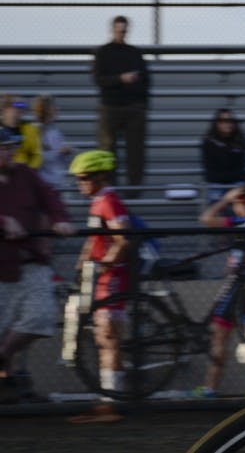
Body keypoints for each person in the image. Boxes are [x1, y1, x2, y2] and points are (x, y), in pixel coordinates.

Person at [0, 127, 75, 404]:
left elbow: (50, 197)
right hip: (2, 266)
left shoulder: (25, 174)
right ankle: (11, 383)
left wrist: (59, 218)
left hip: (31, 261)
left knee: (40, 316)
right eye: (1, 148)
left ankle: (4, 357)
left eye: (8, 147)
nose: (5, 153)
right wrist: (3, 220)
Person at [67, 149, 131, 423]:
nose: (80, 183)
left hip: (111, 279)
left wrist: (105, 263)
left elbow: (123, 238)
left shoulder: (108, 201)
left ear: (100, 177)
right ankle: (108, 398)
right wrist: (83, 260)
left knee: (108, 339)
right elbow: (96, 238)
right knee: (104, 339)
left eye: (84, 178)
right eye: (78, 179)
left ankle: (110, 402)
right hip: (103, 279)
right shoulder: (99, 201)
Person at [194, 183, 245, 397]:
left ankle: (210, 387)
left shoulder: (242, 222)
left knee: (220, 337)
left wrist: (225, 199)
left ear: (241, 202)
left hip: (235, 288)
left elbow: (206, 219)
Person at [92, 15, 151, 198]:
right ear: (112, 30)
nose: (121, 33)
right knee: (108, 150)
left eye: (124, 30)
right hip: (111, 107)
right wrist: (120, 79)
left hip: (133, 108)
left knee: (136, 152)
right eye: (118, 30)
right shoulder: (103, 52)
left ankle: (134, 191)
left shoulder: (134, 53)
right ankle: (111, 190)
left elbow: (146, 79)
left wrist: (142, 105)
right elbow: (99, 79)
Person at [200, 108, 245, 205]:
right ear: (217, 123)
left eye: (230, 121)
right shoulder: (209, 142)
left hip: (236, 183)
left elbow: (240, 169)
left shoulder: (240, 141)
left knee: (243, 194)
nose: (228, 124)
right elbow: (212, 171)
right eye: (224, 121)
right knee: (215, 193)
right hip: (217, 184)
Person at [31, 94, 74, 189]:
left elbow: (60, 160)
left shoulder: (55, 131)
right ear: (46, 110)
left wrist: (66, 153)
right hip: (41, 184)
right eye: (54, 107)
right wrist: (59, 151)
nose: (57, 109)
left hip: (55, 183)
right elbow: (37, 157)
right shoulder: (36, 131)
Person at [1, 94, 41, 169]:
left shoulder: (31, 130)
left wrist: (29, 171)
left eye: (21, 109)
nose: (19, 112)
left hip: (23, 174)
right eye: (15, 108)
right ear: (5, 110)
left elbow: (37, 155)